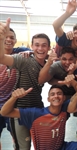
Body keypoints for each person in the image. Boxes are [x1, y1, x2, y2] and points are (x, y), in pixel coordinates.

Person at [1, 80, 77, 150]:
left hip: (63, 147)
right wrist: (13, 98)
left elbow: (72, 106)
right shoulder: (35, 114)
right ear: (48, 99)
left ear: (63, 98)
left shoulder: (64, 109)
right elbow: (4, 112)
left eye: (59, 94)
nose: (56, 96)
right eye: (53, 94)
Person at [0, 18, 51, 150]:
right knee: (23, 147)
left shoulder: (49, 66)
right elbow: (2, 58)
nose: (40, 48)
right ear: (32, 46)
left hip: (37, 109)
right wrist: (1, 38)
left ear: (49, 48)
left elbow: (44, 80)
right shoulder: (24, 59)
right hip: (19, 112)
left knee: (41, 144)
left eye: (44, 45)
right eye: (37, 45)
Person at [0, 27, 31, 149]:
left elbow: (37, 52)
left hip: (13, 105)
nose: (8, 39)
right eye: (5, 37)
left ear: (15, 40)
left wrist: (30, 52)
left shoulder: (20, 52)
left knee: (16, 136)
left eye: (11, 37)